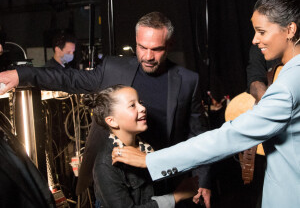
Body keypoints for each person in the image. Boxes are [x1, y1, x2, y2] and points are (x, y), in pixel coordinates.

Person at [0, 12, 211, 207]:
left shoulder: (188, 81)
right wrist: (20, 75)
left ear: (170, 45)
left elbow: (199, 135)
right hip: (117, 180)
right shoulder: (114, 68)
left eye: (156, 49)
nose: (147, 56)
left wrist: (203, 179)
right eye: (141, 47)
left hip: (165, 182)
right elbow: (69, 78)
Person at [111, 0, 300, 208]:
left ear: (290, 29)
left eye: (261, 32)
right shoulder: (290, 74)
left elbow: (229, 137)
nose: (255, 40)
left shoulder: (287, 86)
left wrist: (150, 160)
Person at [86, 84, 198, 208]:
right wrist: (176, 196)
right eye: (132, 105)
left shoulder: (148, 145)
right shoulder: (106, 163)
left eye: (140, 102)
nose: (143, 108)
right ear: (112, 121)